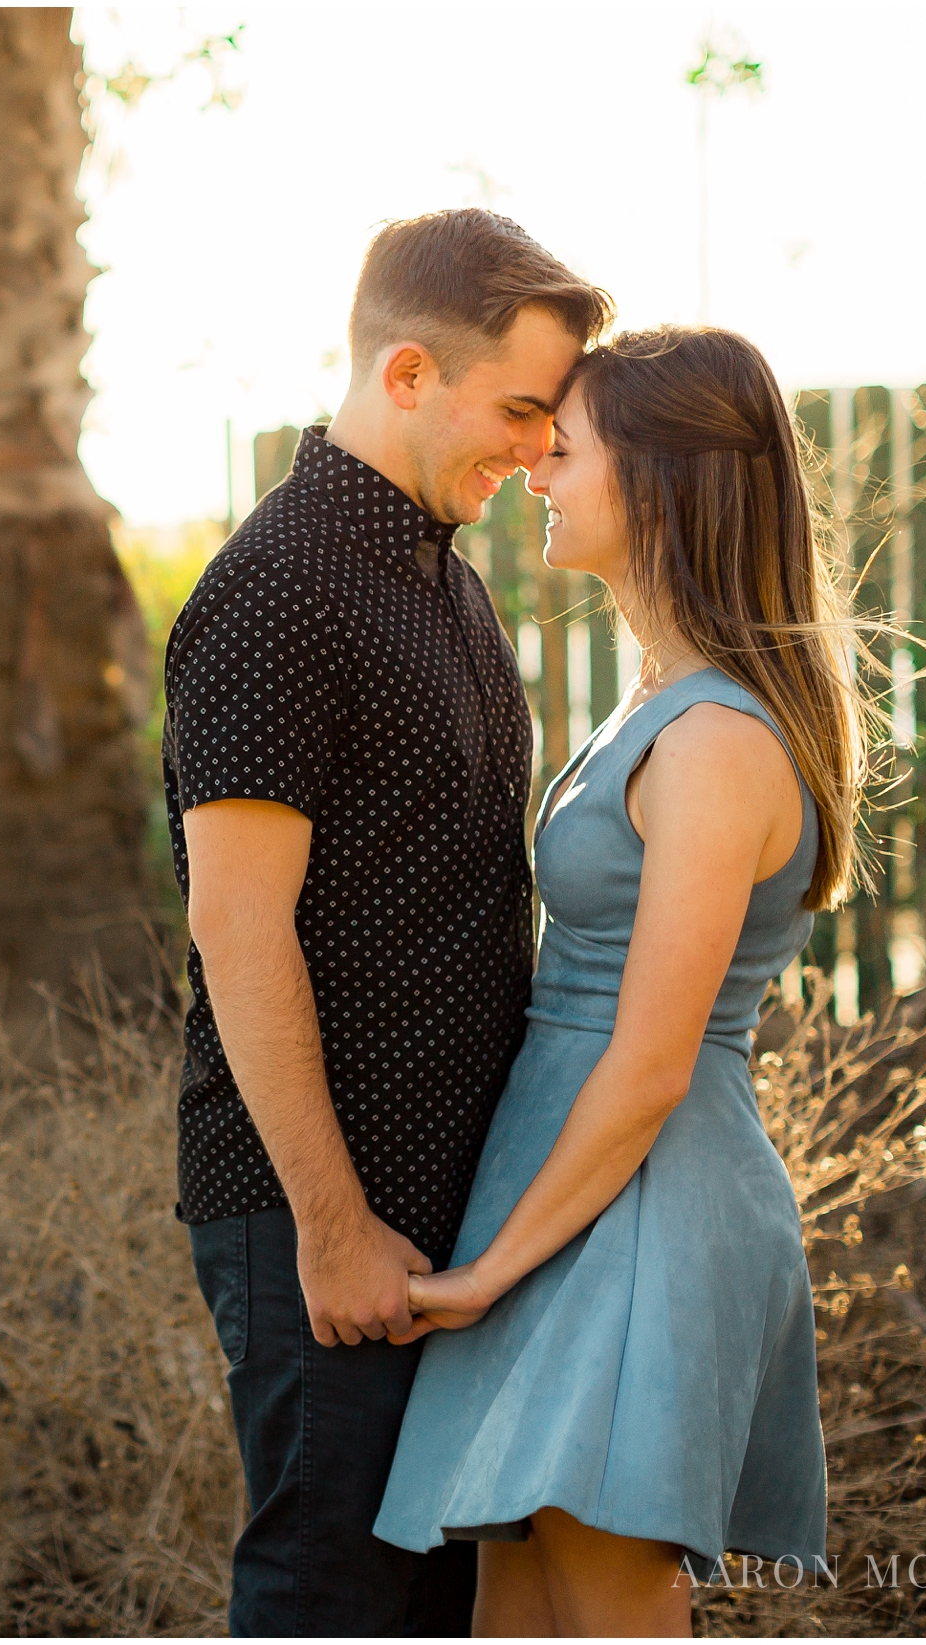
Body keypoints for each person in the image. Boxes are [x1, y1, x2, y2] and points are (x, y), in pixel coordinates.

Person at [160, 208, 611, 1636]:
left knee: (427, 1602)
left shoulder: (450, 585)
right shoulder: (277, 591)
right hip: (323, 1210)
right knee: (331, 1595)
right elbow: (239, 928)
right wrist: (335, 1221)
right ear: (407, 373)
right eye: (522, 409)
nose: (541, 451)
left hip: (452, 1214)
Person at [372, 325, 854, 1636]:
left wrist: (487, 1274)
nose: (535, 466)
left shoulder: (713, 741)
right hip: (568, 1193)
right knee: (514, 1611)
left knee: (606, 1597)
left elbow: (652, 1060)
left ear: (656, 480)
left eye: (563, 446)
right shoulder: (664, 701)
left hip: (641, 1210)